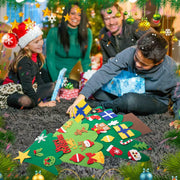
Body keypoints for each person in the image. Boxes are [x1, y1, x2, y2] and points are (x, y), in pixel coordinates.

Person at [67, 31, 180, 118]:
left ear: (158, 62)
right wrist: (81, 97)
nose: (137, 64)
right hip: (128, 90)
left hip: (154, 99)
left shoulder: (170, 69)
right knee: (98, 91)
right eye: (136, 58)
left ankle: (100, 107)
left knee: (129, 101)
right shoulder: (131, 51)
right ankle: (118, 103)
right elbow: (106, 71)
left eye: (143, 64)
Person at [0, 19, 57, 109]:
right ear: (26, 46)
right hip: (13, 90)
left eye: (41, 39)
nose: (40, 43)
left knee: (52, 86)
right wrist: (41, 103)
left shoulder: (36, 57)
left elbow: (38, 79)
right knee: (26, 101)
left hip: (28, 87)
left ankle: (34, 99)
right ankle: (30, 101)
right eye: (36, 42)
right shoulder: (24, 61)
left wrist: (51, 93)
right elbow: (26, 87)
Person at [45, 2, 93, 85]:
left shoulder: (87, 33)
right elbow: (50, 60)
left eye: (79, 15)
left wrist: (88, 79)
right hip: (52, 75)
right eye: (73, 13)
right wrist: (57, 82)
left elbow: (86, 60)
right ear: (66, 14)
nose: (76, 17)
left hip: (72, 77)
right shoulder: (54, 33)